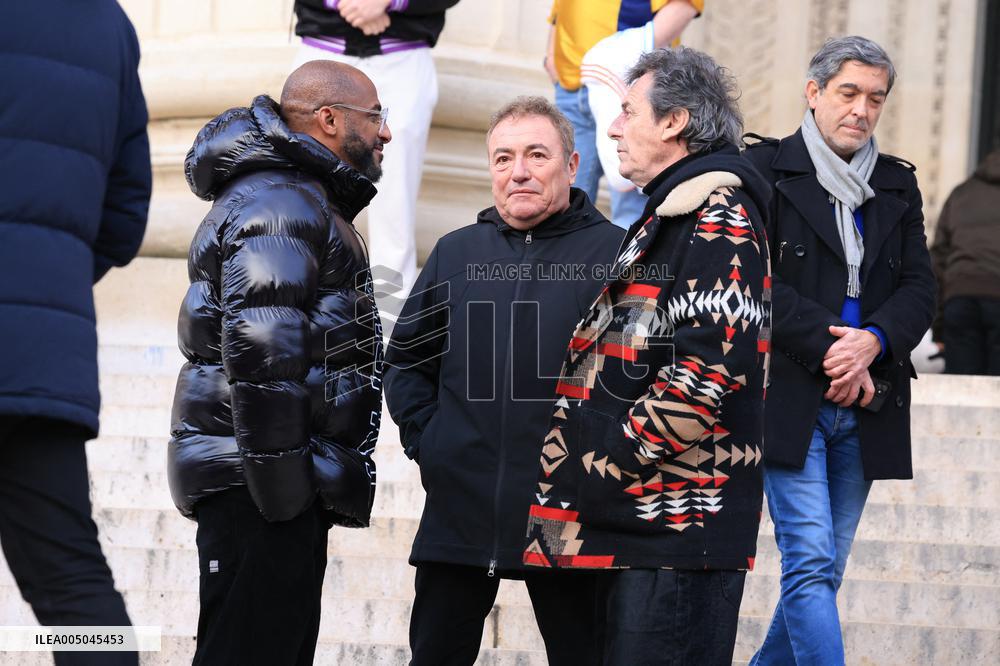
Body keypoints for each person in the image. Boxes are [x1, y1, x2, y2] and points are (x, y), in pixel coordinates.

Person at [523, 48, 772, 665]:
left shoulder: (720, 216)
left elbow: (706, 375)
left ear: (674, 122)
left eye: (628, 111)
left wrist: (604, 465)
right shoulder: (670, 214)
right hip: (630, 531)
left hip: (672, 534)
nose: (612, 128)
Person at [384, 96, 625, 665]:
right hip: (460, 508)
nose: (518, 172)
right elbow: (407, 363)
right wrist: (433, 446)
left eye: (537, 155)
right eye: (503, 158)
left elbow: (636, 377)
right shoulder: (456, 253)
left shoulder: (616, 254)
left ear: (572, 165)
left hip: (568, 514)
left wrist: (596, 469)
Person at [169, 60, 387, 665]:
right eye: (376, 117)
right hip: (263, 489)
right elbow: (263, 352)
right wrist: (287, 502)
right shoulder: (284, 202)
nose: (386, 132)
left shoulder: (293, 197)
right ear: (329, 119)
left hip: (263, 482)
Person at [743, 36, 936, 665]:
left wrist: (873, 342)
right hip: (793, 391)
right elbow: (755, 281)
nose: (861, 109)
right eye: (848, 92)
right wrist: (837, 349)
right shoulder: (765, 172)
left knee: (826, 568)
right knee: (810, 560)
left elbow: (920, 289)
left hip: (868, 397)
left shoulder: (897, 184)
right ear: (814, 92)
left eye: (875, 98)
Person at [0, 2, 150, 663]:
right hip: (43, 356)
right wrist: (47, 281)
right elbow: (126, 213)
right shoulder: (106, 23)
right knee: (70, 581)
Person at [293, 0, 460, 302]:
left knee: (395, 205)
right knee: (309, 194)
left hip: (402, 57)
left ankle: (390, 322)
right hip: (323, 52)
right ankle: (305, 310)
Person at [545, 0, 702, 228]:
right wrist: (551, 54)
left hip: (628, 79)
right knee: (562, 199)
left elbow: (685, 4)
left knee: (633, 206)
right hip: (571, 80)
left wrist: (628, 53)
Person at [930, 147, 1000, 375]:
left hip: (960, 298)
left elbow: (937, 261)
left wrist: (939, 327)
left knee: (962, 382)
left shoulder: (961, 193)